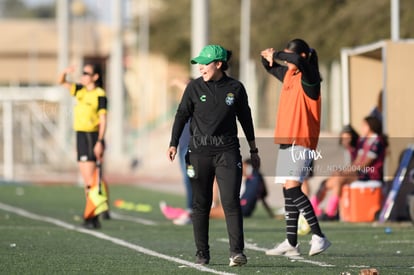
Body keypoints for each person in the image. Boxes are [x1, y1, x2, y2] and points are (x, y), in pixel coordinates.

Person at [167, 44, 260, 267]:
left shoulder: (235, 88)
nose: (200, 67)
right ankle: (202, 253)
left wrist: (254, 149)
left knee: (230, 201)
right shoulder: (194, 88)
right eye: (198, 63)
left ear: (218, 64)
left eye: (205, 63)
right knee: (201, 204)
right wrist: (172, 143)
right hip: (199, 153)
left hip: (227, 152)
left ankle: (236, 253)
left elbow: (246, 119)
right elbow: (181, 115)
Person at [261, 38, 331, 257]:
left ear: (301, 57)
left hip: (301, 141)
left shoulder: (310, 77)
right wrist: (268, 57)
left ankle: (319, 236)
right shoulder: (289, 75)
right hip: (286, 140)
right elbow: (269, 67)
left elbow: (294, 60)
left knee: (293, 188)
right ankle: (291, 242)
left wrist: (279, 55)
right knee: (287, 191)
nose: (285, 58)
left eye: (289, 54)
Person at [58, 64, 109, 229]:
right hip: (80, 136)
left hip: (91, 137)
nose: (83, 75)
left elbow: (103, 120)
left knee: (90, 181)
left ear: (95, 77)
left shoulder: (99, 94)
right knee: (88, 180)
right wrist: (65, 73)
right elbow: (62, 82)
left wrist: (100, 141)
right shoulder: (80, 90)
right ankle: (93, 213)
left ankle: (92, 216)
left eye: (87, 73)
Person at [312, 116, 387, 220]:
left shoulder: (377, 141)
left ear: (371, 126)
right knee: (329, 181)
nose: (362, 128)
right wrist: (343, 171)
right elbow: (357, 162)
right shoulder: (365, 141)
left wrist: (344, 173)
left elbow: (364, 164)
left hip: (371, 175)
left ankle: (330, 213)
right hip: (361, 173)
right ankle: (313, 209)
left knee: (338, 180)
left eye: (364, 126)